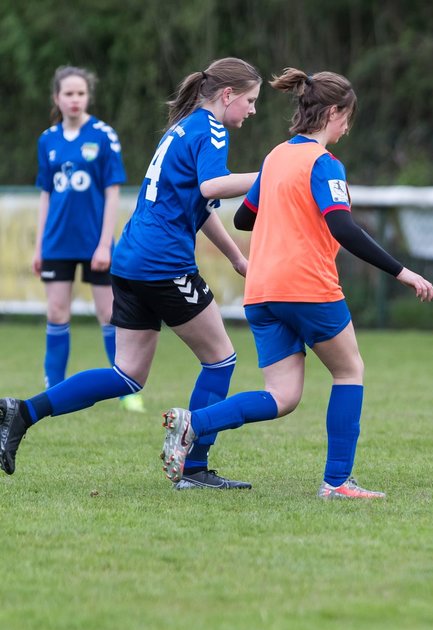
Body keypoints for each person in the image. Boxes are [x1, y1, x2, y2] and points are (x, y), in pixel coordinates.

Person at [157, 68, 433, 499]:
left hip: (263, 292)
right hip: (308, 288)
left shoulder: (276, 157)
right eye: (348, 117)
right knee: (349, 371)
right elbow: (342, 226)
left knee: (282, 396)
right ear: (334, 112)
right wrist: (402, 272)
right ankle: (338, 482)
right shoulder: (324, 163)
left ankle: (196, 422)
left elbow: (245, 217)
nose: (347, 127)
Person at [1, 57, 262, 487]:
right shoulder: (210, 130)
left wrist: (236, 258)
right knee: (221, 360)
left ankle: (22, 412)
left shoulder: (182, 129)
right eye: (250, 101)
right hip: (163, 264)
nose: (252, 111)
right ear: (228, 96)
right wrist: (269, 174)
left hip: (131, 259)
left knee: (128, 375)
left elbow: (198, 207)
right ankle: (193, 467)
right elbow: (213, 187)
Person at [32, 66, 143, 412]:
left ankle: (126, 389)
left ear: (87, 97)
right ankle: (55, 387)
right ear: (57, 98)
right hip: (57, 242)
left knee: (109, 313)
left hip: (95, 241)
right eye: (68, 94)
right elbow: (46, 195)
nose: (75, 99)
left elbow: (112, 192)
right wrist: (39, 246)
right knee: (56, 311)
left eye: (81, 93)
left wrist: (103, 243)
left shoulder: (104, 135)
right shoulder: (47, 140)